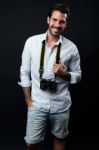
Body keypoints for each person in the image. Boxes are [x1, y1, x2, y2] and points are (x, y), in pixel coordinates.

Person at [19, 3, 81, 150]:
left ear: (66, 24)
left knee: (59, 140)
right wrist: (28, 101)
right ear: (48, 20)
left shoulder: (71, 48)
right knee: (31, 144)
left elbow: (78, 76)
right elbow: (24, 72)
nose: (57, 24)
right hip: (37, 104)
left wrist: (63, 74)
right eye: (54, 20)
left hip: (61, 105)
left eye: (62, 21)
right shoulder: (31, 42)